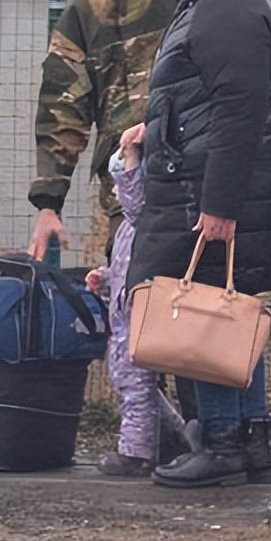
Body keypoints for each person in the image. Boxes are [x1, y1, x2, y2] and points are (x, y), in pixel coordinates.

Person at [126, 0, 271, 489]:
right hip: (215, 178)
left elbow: (238, 110)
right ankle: (250, 444)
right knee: (230, 311)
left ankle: (224, 442)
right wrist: (157, 127)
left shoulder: (226, 4)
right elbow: (209, 98)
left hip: (217, 187)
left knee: (204, 310)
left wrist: (220, 205)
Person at [27, 0, 175, 261]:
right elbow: (62, 110)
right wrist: (49, 202)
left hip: (189, 165)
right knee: (133, 291)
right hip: (127, 177)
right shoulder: (81, 18)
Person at [84, 122, 191, 476]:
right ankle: (175, 435)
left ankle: (136, 451)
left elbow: (133, 198)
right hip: (126, 313)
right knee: (131, 380)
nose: (117, 189)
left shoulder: (142, 216)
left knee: (134, 380)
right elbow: (128, 264)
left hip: (136, 317)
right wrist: (107, 276)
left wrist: (131, 157)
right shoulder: (135, 228)